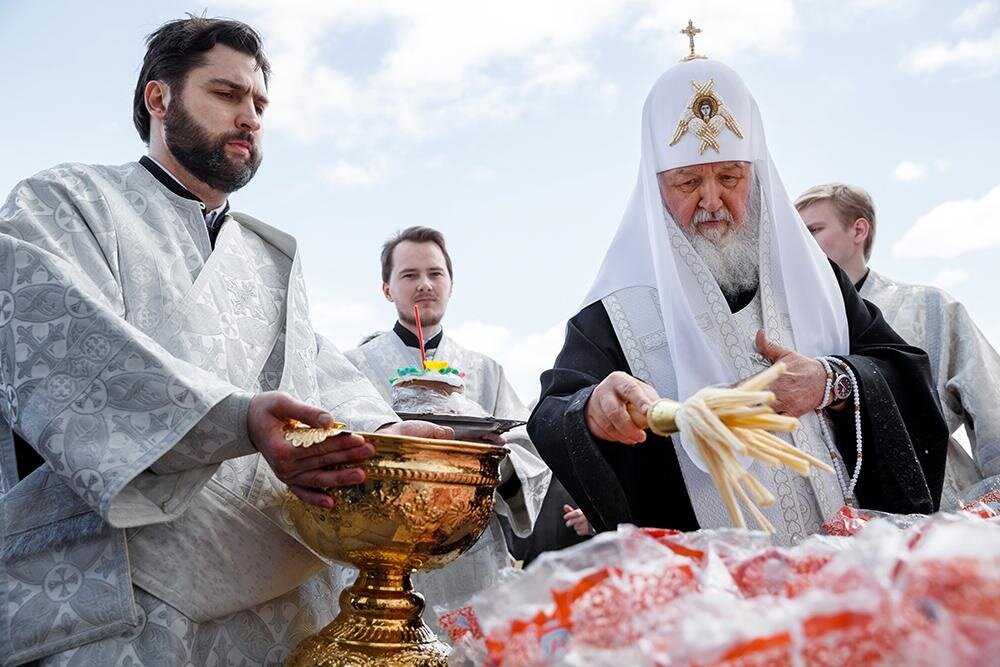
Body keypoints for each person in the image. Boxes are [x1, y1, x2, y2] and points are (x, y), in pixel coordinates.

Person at [0, 17, 446, 665]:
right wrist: (234, 419)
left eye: (260, 103)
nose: (250, 117)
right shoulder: (66, 203)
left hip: (273, 600)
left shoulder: (271, 257)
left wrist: (393, 437)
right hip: (123, 598)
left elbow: (317, 379)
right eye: (227, 95)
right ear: (159, 98)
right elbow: (63, 351)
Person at [527, 46, 949, 545]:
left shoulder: (817, 281)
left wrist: (828, 380)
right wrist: (593, 409)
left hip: (844, 571)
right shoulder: (616, 311)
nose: (711, 200)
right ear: (656, 190)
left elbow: (904, 371)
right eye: (687, 182)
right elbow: (554, 411)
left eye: (729, 177)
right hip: (709, 593)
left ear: (758, 177)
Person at [344, 226, 555, 610]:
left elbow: (529, 452)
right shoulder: (351, 369)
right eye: (409, 275)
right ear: (387, 288)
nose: (424, 285)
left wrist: (497, 461)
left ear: (451, 284)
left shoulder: (486, 371)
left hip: (469, 560)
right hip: (378, 553)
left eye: (435, 273)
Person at [796, 182, 1000, 508]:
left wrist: (987, 507)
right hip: (837, 521)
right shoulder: (795, 323)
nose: (803, 244)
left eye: (814, 230)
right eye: (797, 235)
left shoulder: (929, 306)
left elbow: (992, 404)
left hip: (944, 510)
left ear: (858, 229)